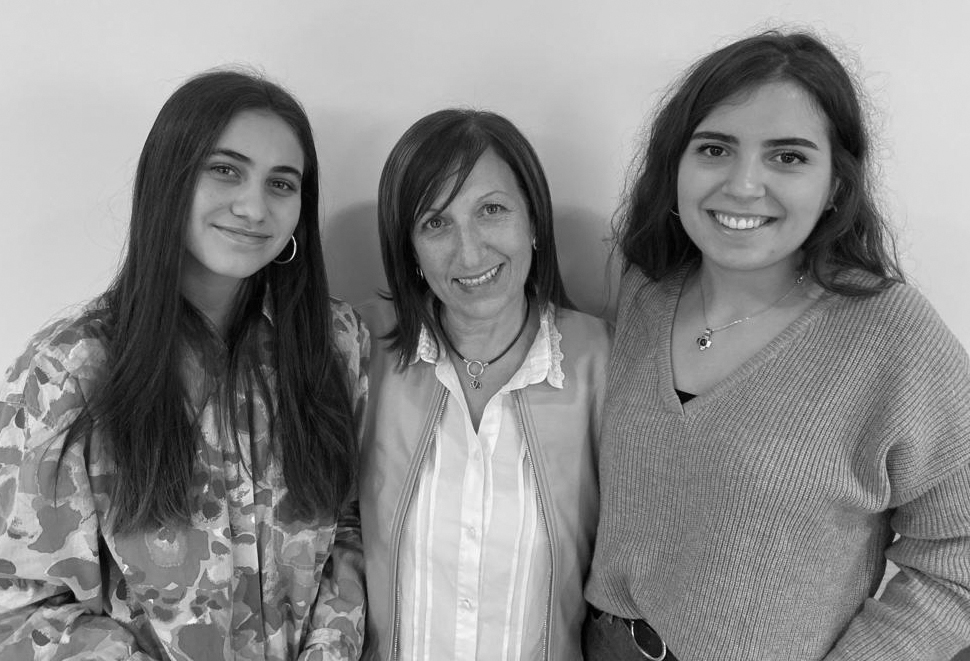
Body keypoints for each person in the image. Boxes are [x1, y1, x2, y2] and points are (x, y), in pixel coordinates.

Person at [582, 30, 970, 661]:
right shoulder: (645, 291)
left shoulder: (893, 336)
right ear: (676, 165)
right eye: (715, 149)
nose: (743, 185)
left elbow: (960, 559)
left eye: (787, 157)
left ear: (836, 184)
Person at [0, 70, 368, 660]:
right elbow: (20, 606)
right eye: (225, 169)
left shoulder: (335, 342)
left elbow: (351, 528)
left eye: (281, 183)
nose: (253, 207)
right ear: (169, 179)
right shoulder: (66, 372)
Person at [358, 109, 610, 661]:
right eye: (435, 223)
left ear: (534, 221)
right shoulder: (361, 356)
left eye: (491, 210)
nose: (469, 252)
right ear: (409, 249)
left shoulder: (604, 362)